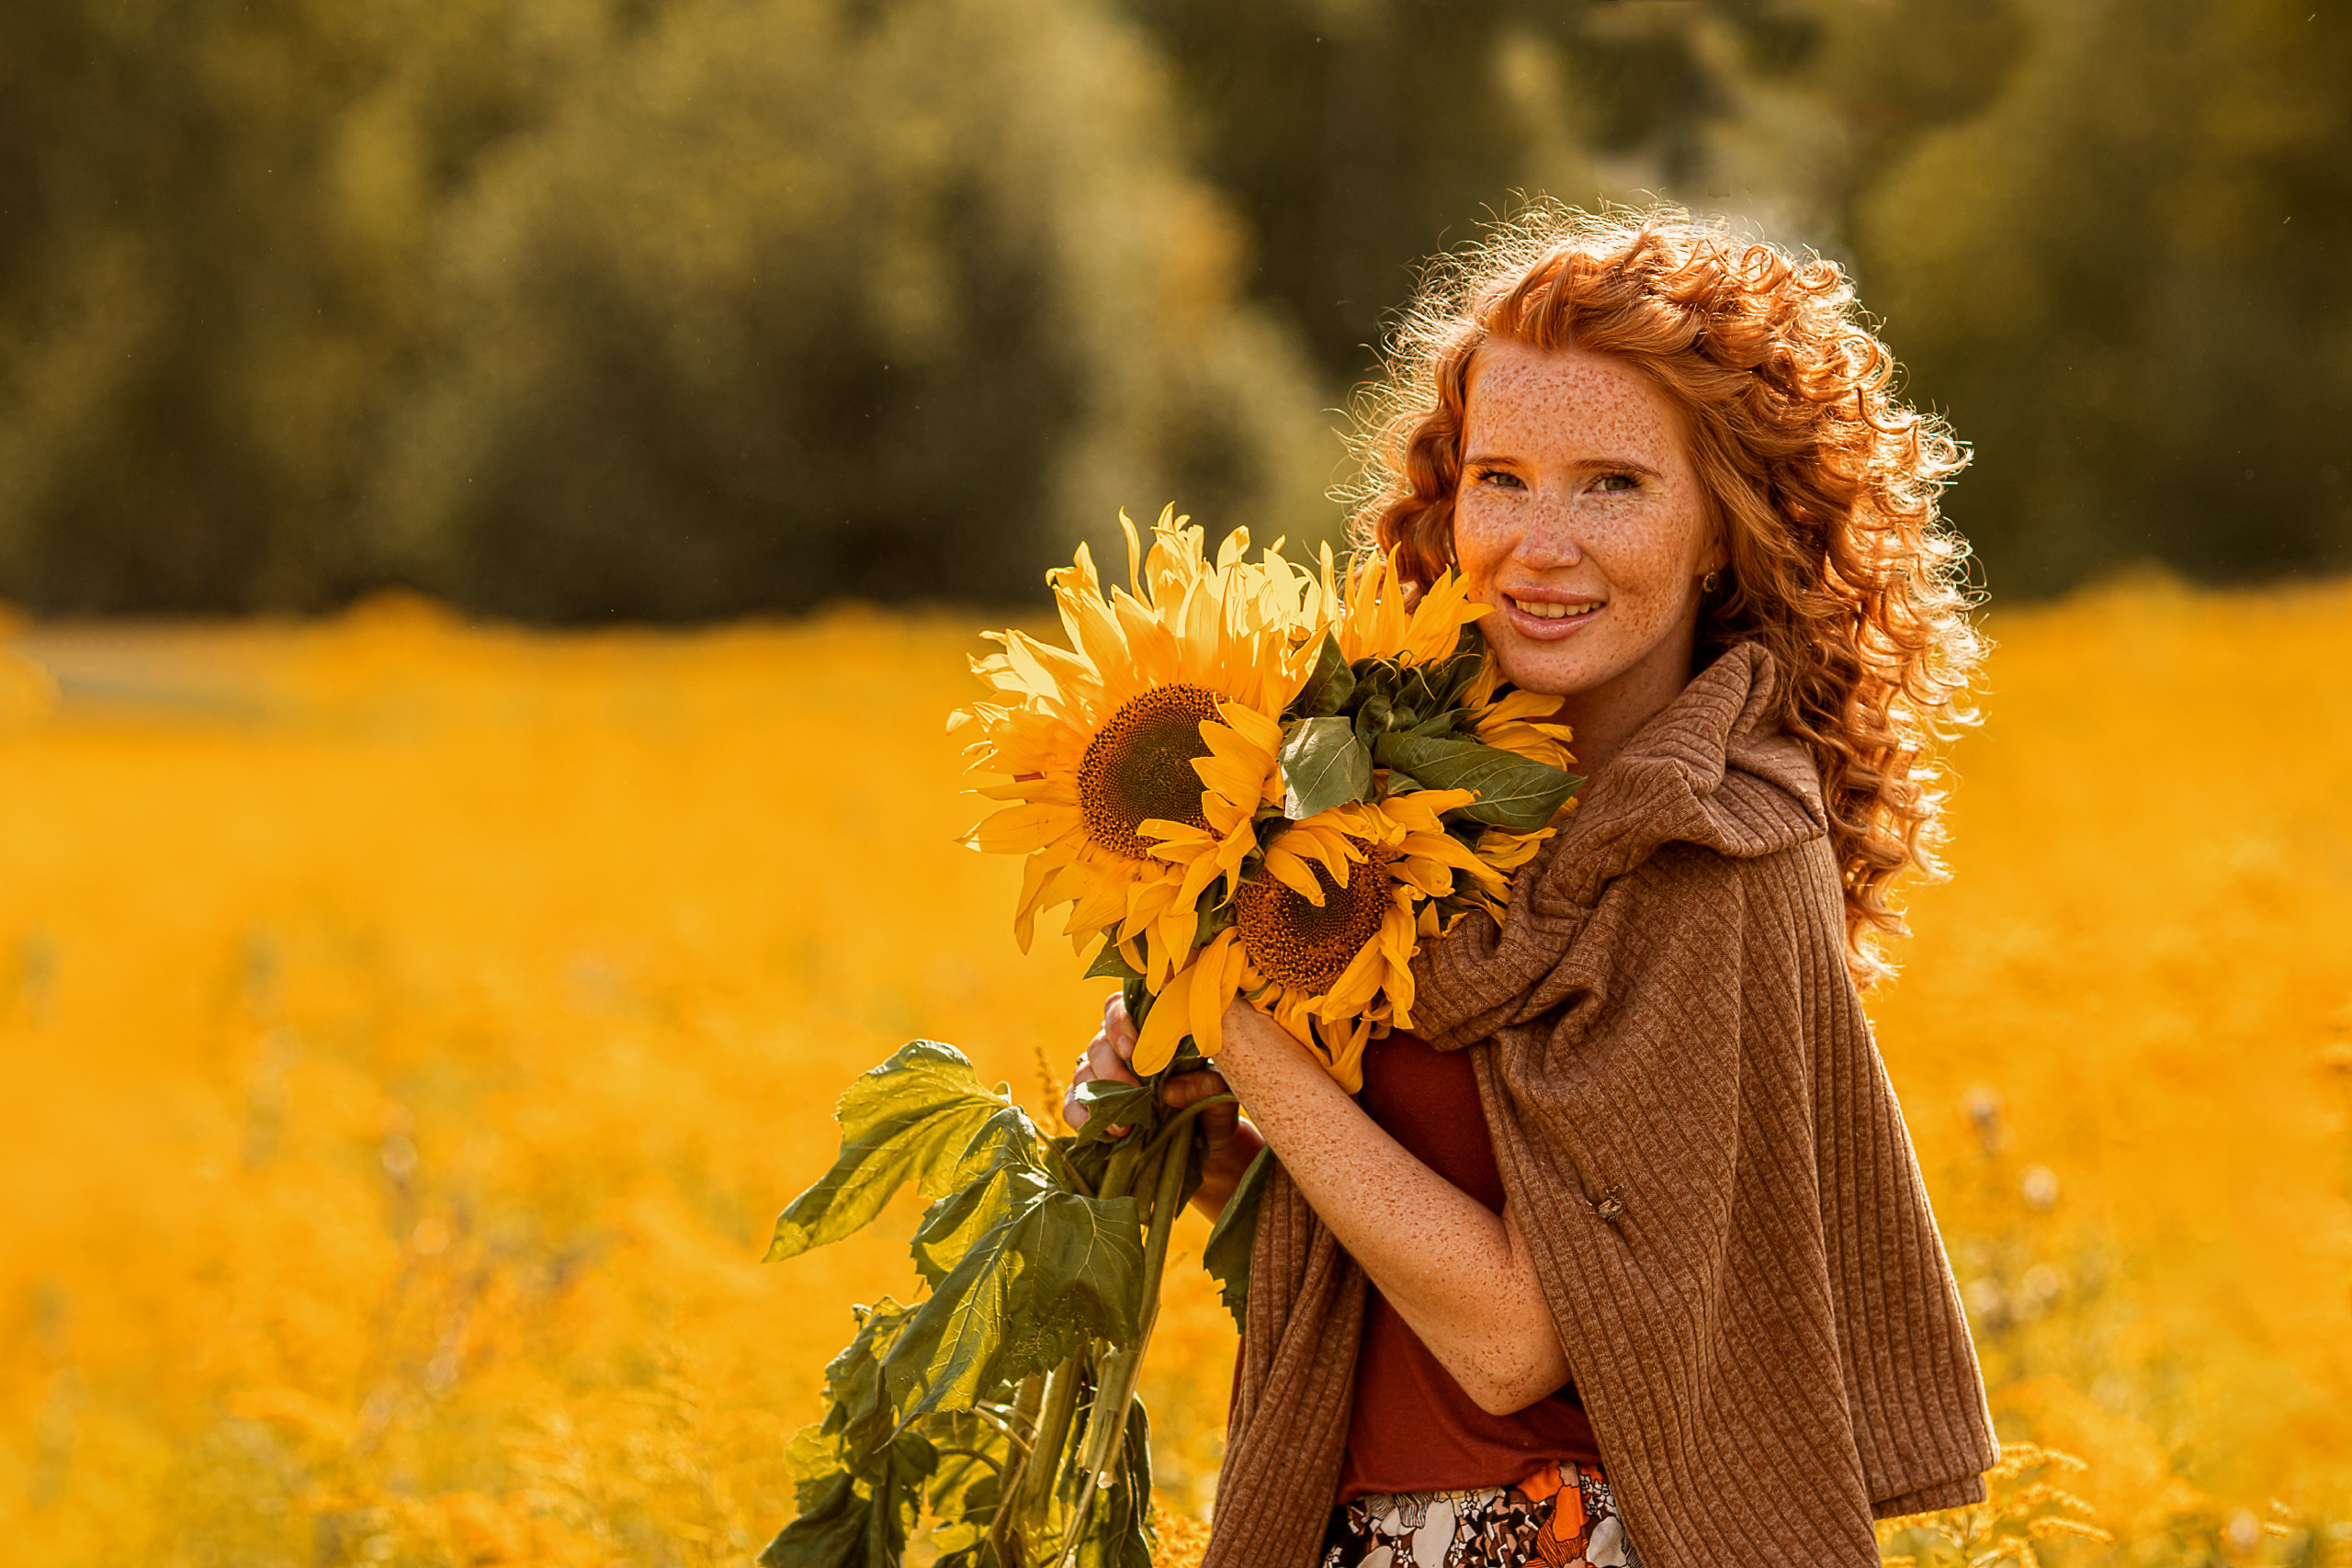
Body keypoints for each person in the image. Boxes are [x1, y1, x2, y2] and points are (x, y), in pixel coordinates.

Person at [1066, 207, 1997, 1568]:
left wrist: (1236, 1029)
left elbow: (1512, 1340)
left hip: (1572, 1541)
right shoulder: (1409, 805)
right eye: (1499, 478)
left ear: (1723, 532)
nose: (1537, 544)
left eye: (1612, 485)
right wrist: (1195, 1121)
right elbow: (1391, 1238)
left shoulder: (1719, 847)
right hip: (1350, 1525)